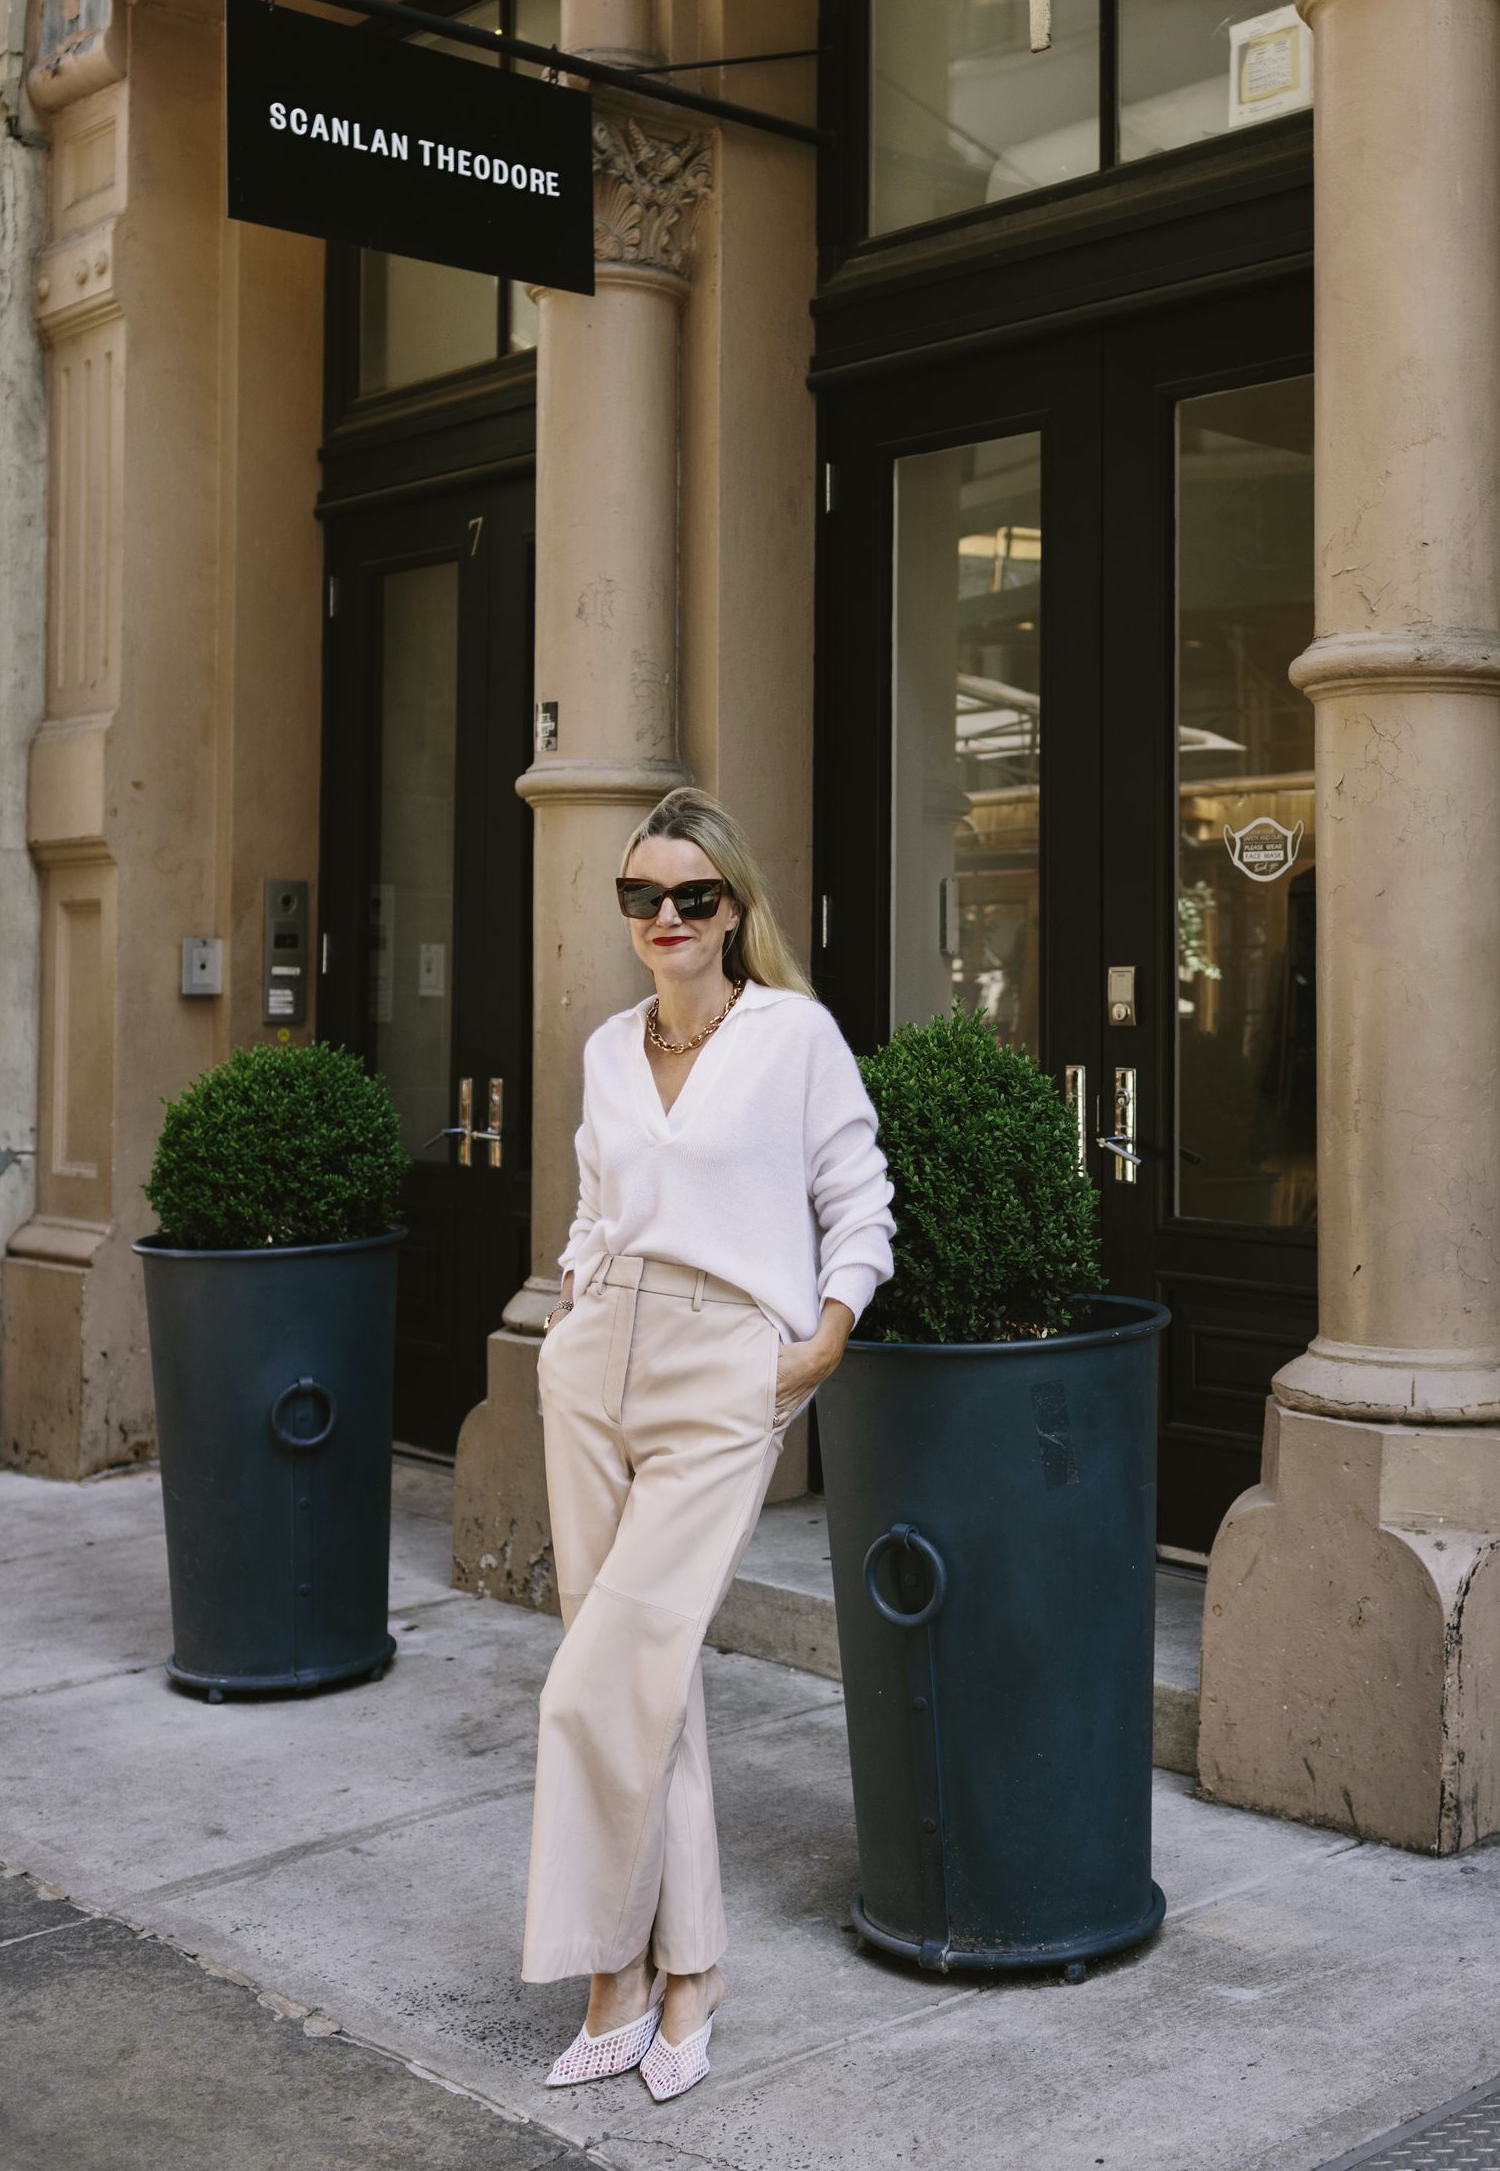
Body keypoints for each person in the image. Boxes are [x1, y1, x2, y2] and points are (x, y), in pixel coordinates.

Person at [522, 787, 894, 2102]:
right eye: (642, 897)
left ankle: (623, 1963)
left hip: (725, 1364)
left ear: (735, 908)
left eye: (692, 897)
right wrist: (572, 1299)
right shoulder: (611, 1052)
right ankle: (661, 1978)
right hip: (597, 1363)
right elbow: (595, 1202)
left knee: (599, 1682)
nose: (665, 920)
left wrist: (829, 1330)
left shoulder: (792, 1037)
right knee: (645, 1682)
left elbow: (859, 1194)